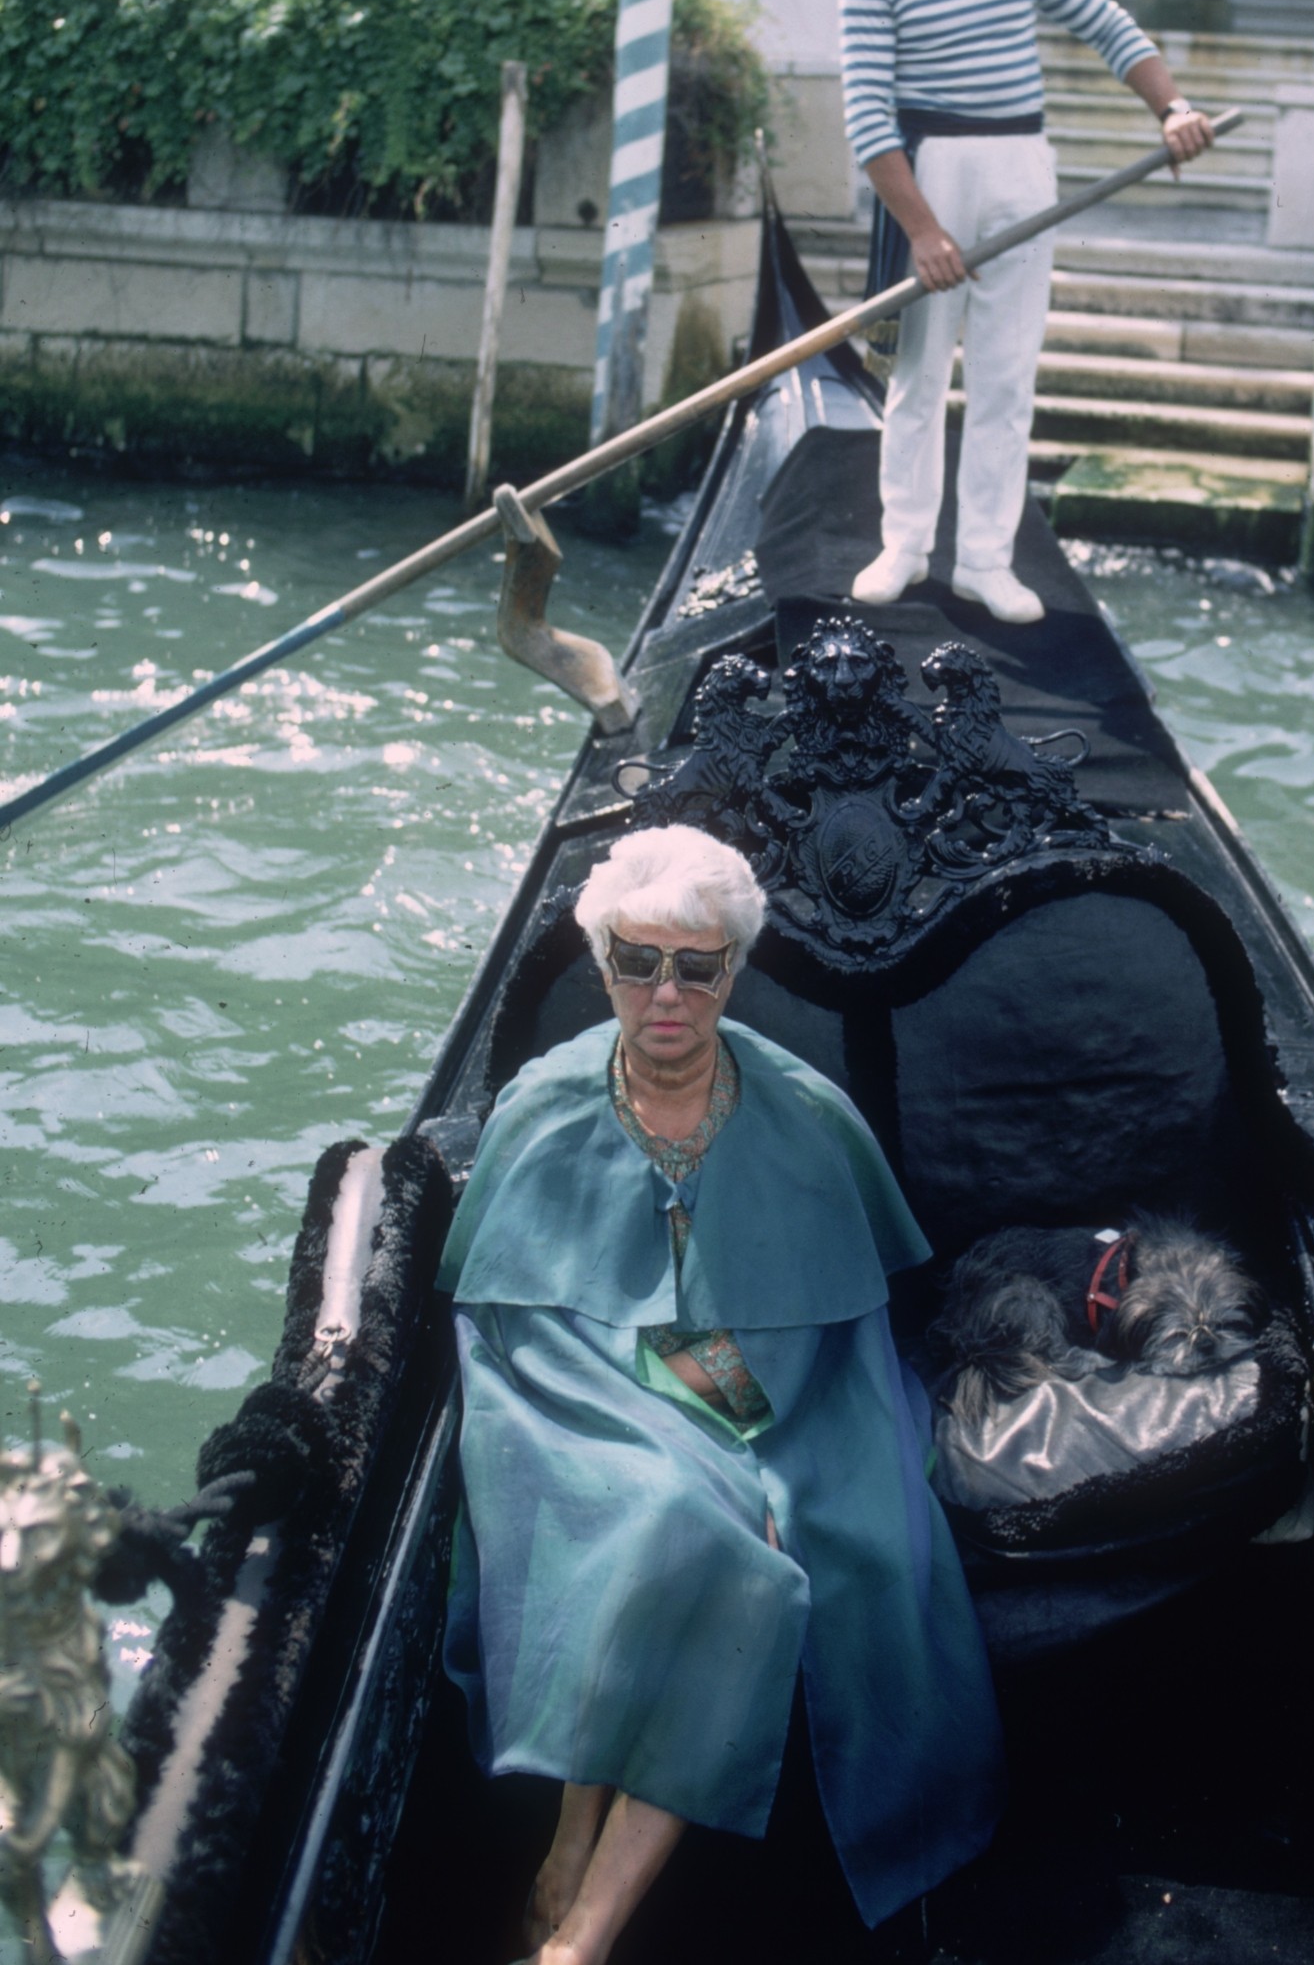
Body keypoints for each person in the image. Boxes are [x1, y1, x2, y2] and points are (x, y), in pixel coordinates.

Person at [438, 824, 1002, 1965]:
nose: (664, 992)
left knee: (755, 1522)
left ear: (732, 971)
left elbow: (829, 1316)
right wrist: (664, 1403)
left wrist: (740, 1424)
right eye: (636, 960)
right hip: (571, 1378)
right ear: (600, 961)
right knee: (664, 1511)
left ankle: (579, 1912)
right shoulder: (539, 1107)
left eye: (696, 966)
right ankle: (575, 1861)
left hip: (772, 1372)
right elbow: (508, 1319)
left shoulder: (803, 1110)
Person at [841, 0, 1216, 624]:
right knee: (919, 371)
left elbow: (1109, 26)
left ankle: (982, 561)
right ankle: (903, 546)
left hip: (1020, 165)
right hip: (926, 166)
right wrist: (924, 230)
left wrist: (1174, 108)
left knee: (1007, 374)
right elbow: (866, 121)